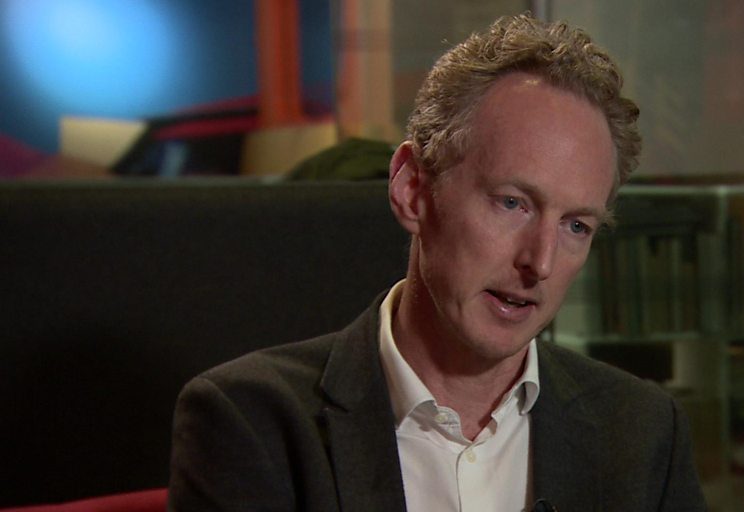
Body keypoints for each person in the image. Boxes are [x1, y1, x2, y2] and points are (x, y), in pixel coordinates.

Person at [168, 14, 706, 511]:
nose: (540, 263)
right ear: (413, 189)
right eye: (512, 203)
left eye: (576, 226)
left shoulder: (642, 433)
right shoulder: (253, 422)